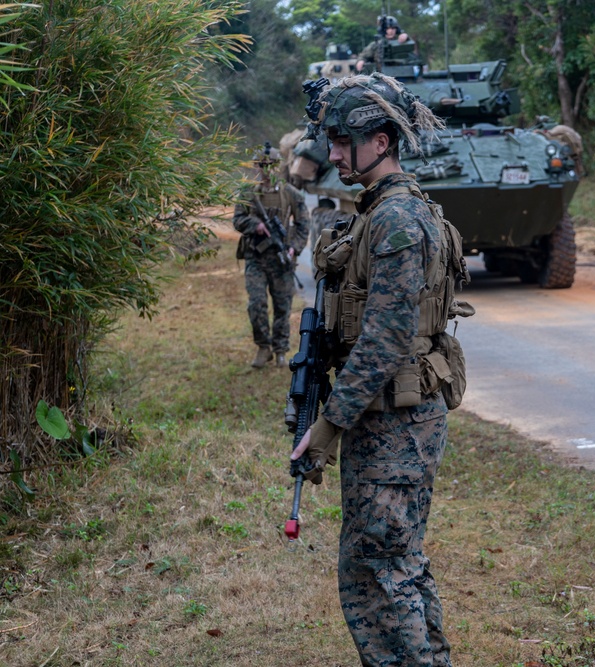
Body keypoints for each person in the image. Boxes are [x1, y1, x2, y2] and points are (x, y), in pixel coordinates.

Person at [290, 72, 467, 667]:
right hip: (390, 420)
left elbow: (388, 338)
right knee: (396, 566)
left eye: (343, 142)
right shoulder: (383, 211)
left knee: (378, 575)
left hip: (396, 425)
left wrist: (328, 428)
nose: (333, 153)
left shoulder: (395, 220)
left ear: (382, 142)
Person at [232, 144, 310, 368]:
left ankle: (280, 350)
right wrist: (254, 224)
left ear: (278, 166)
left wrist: (294, 247)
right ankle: (263, 347)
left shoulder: (290, 193)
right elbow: (237, 220)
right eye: (262, 165)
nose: (266, 170)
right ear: (256, 166)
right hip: (255, 257)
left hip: (281, 259)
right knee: (256, 304)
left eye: (271, 165)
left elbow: (304, 224)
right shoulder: (248, 193)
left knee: (283, 306)